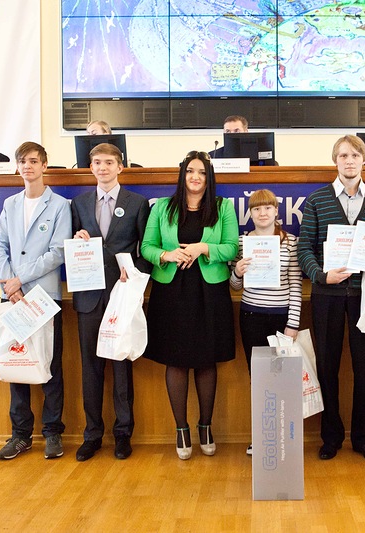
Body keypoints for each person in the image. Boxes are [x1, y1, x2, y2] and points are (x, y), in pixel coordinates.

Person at [297, 134, 365, 463]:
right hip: (327, 295)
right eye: (343, 156)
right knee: (327, 367)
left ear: (364, 160)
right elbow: (304, 248)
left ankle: (364, 440)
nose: (349, 161)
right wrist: (322, 275)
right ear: (335, 161)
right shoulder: (317, 200)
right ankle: (331, 438)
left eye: (355, 155)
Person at [141, 150, 238, 460]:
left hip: (209, 290)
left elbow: (232, 247)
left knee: (207, 360)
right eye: (190, 171)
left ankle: (205, 426)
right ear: (182, 175)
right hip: (171, 291)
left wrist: (203, 248)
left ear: (209, 178)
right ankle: (181, 428)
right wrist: (166, 255)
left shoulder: (222, 207)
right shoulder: (162, 207)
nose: (196, 177)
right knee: (176, 360)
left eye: (202, 172)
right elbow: (147, 247)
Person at [70, 143, 151, 462]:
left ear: (120, 167)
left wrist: (133, 272)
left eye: (108, 162)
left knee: (121, 365)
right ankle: (92, 434)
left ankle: (123, 433)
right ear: (90, 167)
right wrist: (76, 242)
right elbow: (68, 249)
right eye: (97, 163)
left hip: (121, 295)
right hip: (89, 295)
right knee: (90, 368)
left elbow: (146, 251)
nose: (102, 168)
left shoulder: (137, 203)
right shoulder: (78, 204)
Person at [0, 142, 71, 460]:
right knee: (17, 365)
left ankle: (52, 433)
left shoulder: (59, 205)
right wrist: (10, 284)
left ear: (44, 165)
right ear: (17, 166)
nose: (28, 166)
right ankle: (20, 435)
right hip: (13, 298)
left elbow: (57, 252)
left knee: (50, 366)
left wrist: (20, 279)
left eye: (34, 161)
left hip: (43, 298)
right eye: (23, 161)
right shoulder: (10, 204)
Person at [230, 189, 302, 454]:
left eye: (267, 208)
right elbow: (235, 286)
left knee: (282, 379)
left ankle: (284, 438)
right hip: (251, 317)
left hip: (282, 319)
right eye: (257, 209)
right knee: (259, 379)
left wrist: (292, 323)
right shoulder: (241, 243)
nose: (262, 213)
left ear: (276, 211)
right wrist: (238, 272)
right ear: (250, 213)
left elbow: (295, 283)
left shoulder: (290, 241)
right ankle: (262, 437)